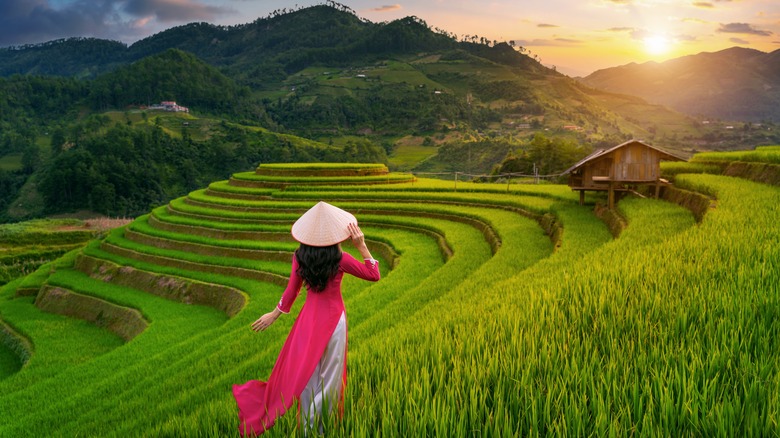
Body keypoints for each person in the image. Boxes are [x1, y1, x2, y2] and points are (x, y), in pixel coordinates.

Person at [232, 201, 381, 436]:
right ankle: (322, 427)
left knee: (307, 372)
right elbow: (374, 275)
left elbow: (292, 291)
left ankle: (307, 427)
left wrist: (274, 314)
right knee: (330, 376)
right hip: (334, 322)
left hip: (308, 321)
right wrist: (362, 246)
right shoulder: (340, 259)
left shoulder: (300, 256)